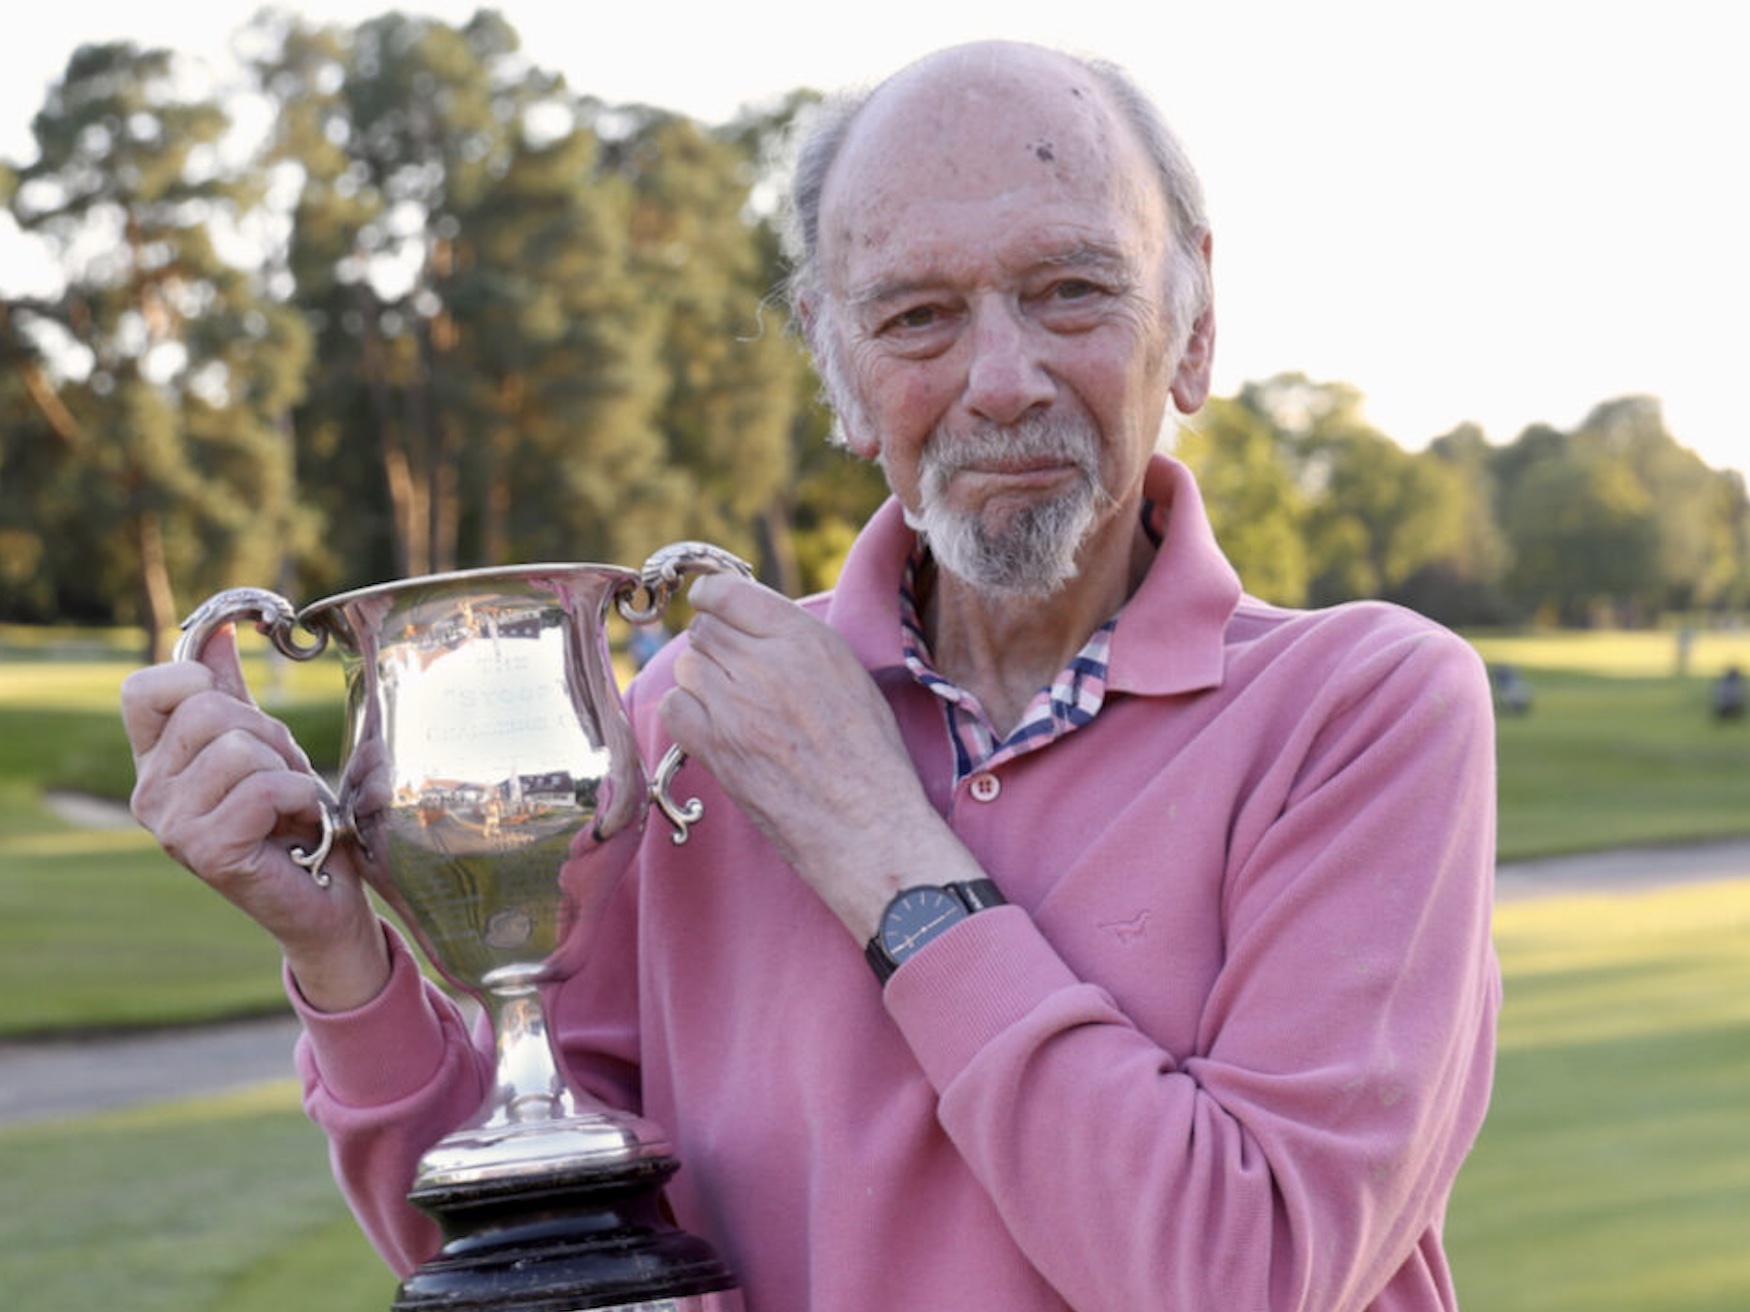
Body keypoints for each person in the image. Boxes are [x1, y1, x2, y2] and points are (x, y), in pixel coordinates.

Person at [121, 40, 1499, 1312]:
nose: (1003, 378)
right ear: (834, 365)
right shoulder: (682, 725)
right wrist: (340, 955)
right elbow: (541, 1264)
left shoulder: (1364, 708)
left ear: (1190, 327)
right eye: (916, 317)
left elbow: (1241, 1273)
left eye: (1071, 289)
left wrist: (876, 846)